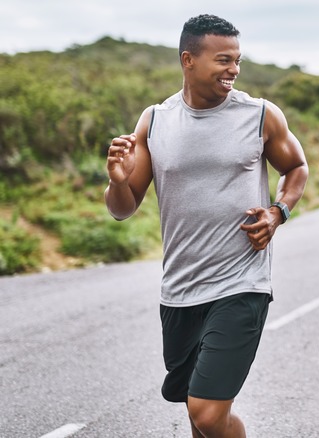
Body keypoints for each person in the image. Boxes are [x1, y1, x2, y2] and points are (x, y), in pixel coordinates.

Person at [104, 14, 308, 438]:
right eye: (222, 60)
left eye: (237, 60)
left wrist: (278, 211)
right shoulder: (155, 121)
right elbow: (123, 209)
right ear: (188, 60)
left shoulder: (260, 116)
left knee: (209, 412)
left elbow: (297, 167)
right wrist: (118, 181)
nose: (233, 69)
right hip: (179, 290)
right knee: (197, 415)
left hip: (241, 284)